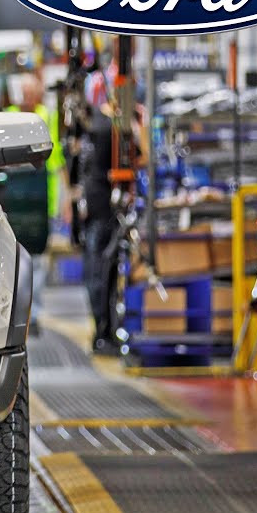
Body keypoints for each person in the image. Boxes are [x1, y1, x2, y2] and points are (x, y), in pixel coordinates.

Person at [79, 100, 144, 356]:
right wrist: (137, 129)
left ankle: (102, 331)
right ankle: (104, 333)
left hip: (93, 206)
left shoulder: (94, 126)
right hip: (104, 208)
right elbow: (142, 156)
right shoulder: (111, 129)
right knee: (103, 271)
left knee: (97, 270)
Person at [6, 73, 66, 333]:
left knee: (39, 259)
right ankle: (11, 311)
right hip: (10, 200)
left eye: (32, 91)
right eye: (24, 91)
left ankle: (35, 315)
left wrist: (66, 200)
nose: (28, 96)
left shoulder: (47, 116)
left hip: (42, 200)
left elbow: (58, 160)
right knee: (10, 258)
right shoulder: (5, 115)